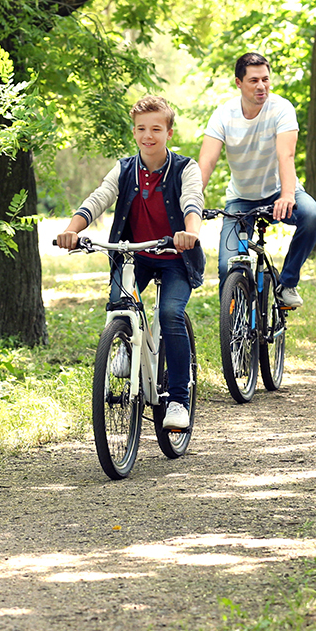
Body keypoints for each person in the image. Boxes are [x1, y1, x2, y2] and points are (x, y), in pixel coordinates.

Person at [56, 95, 205, 431]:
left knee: (169, 314)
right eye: (141, 129)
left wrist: (190, 232)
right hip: (134, 255)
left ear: (169, 132)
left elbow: (192, 201)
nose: (147, 135)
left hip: (174, 257)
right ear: (134, 131)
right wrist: (71, 230)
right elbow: (99, 198)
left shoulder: (185, 168)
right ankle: (125, 342)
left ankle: (179, 399)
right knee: (119, 305)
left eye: (156, 128)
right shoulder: (124, 169)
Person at [197, 52, 316, 308]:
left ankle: (287, 283)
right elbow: (207, 162)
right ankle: (235, 327)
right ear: (238, 83)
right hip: (241, 198)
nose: (261, 86)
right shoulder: (223, 115)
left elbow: (285, 154)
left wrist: (287, 194)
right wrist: (192, 201)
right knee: (226, 266)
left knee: (312, 215)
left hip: (281, 192)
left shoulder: (281, 108)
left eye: (265, 79)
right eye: (254, 80)